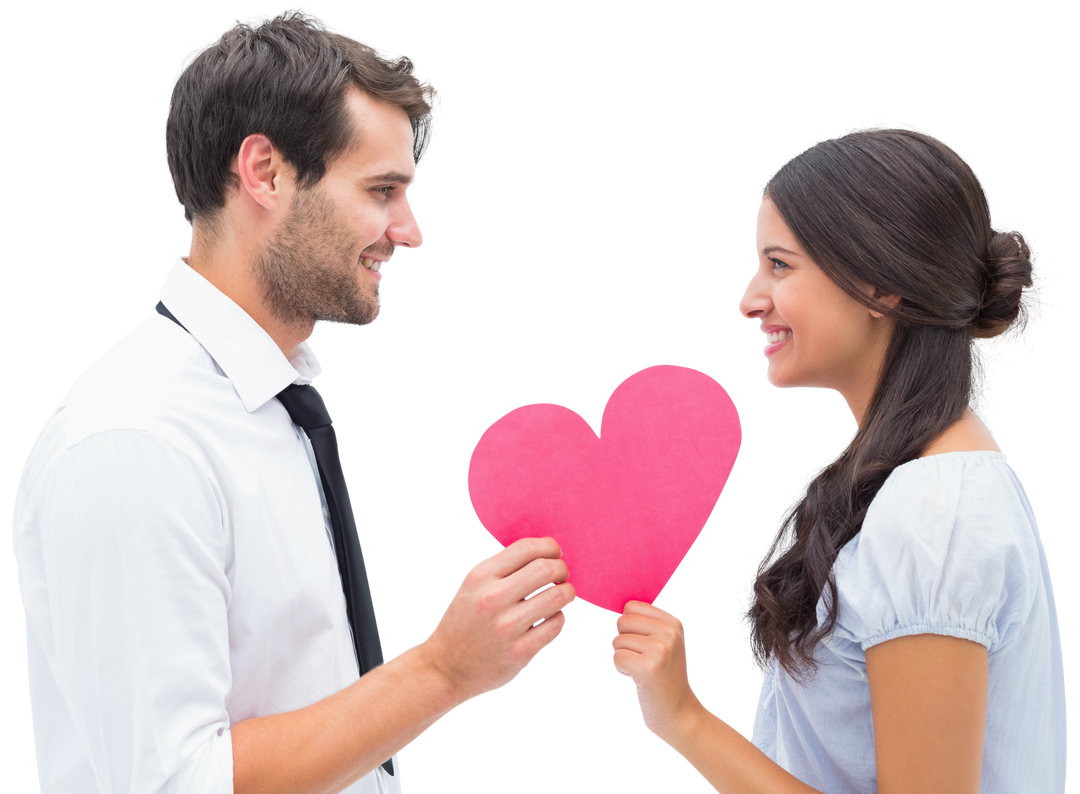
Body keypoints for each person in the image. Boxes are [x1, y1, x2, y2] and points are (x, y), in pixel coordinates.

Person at [10, 6, 575, 793]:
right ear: (265, 173)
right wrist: (442, 671)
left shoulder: (279, 406)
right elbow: (172, 784)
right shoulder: (135, 436)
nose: (409, 231)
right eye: (382, 189)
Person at [605, 119, 1067, 792]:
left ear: (883, 284)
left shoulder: (932, 518)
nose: (748, 301)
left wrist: (685, 719)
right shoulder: (925, 482)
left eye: (780, 265)